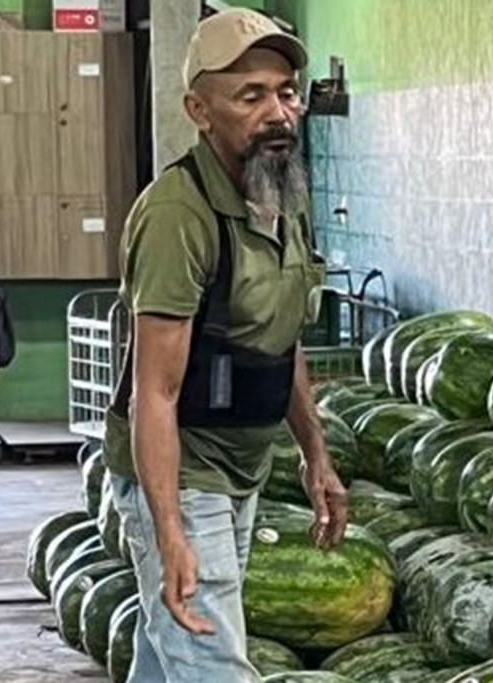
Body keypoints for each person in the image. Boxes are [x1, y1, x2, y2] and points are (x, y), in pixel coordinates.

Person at [102, 8, 347, 681]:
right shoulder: (177, 216)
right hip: (184, 471)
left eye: (286, 92)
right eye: (251, 96)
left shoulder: (282, 191)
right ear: (199, 110)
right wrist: (170, 530)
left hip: (244, 465)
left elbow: (282, 341)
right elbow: (154, 392)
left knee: (173, 656)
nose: (278, 113)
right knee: (213, 663)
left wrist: (315, 456)